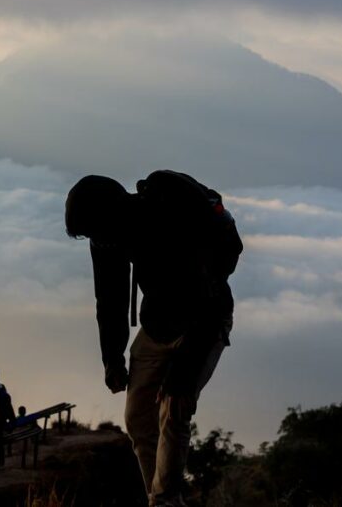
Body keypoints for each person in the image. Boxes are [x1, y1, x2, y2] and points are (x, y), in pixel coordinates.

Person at [65, 171, 242, 507]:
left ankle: (164, 500)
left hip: (204, 321)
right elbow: (110, 299)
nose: (96, 239)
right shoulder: (107, 238)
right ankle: (159, 498)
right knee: (137, 419)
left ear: (111, 212)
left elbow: (217, 271)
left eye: (94, 230)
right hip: (157, 326)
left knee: (174, 406)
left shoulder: (166, 207)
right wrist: (112, 359)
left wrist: (183, 372)